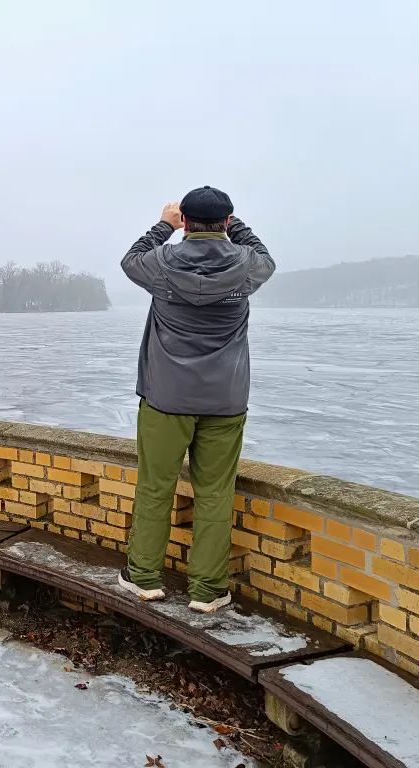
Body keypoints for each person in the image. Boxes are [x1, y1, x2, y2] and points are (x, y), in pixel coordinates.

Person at [116, 186, 276, 613]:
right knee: (215, 493)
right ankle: (207, 589)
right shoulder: (246, 267)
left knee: (155, 487)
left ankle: (144, 577)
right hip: (225, 401)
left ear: (185, 222)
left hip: (165, 399)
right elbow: (263, 253)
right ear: (227, 222)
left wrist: (164, 226)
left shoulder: (162, 263)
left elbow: (131, 259)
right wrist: (232, 223)